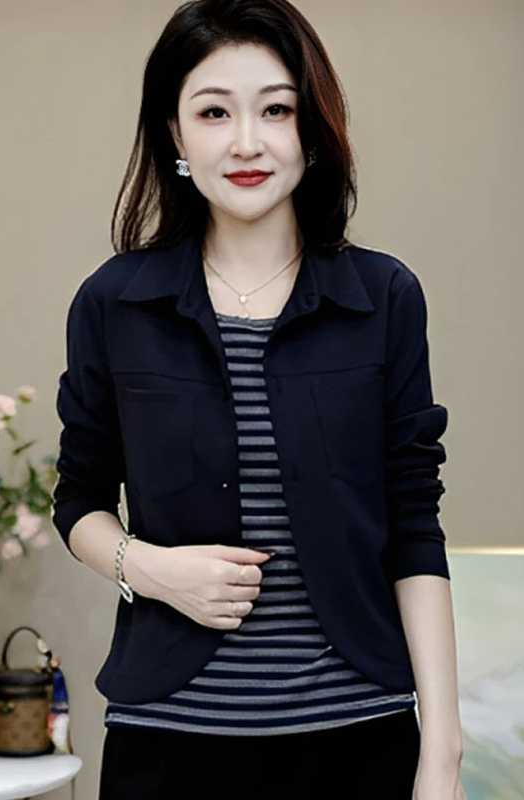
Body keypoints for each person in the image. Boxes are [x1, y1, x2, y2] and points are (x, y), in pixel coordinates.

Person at [52, 1, 468, 798]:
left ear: (312, 127)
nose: (247, 141)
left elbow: (416, 526)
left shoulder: (383, 297)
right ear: (176, 136)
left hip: (358, 741)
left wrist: (442, 756)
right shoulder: (113, 304)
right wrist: (152, 569)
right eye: (214, 112)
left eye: (275, 109)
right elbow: (79, 500)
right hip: (169, 746)